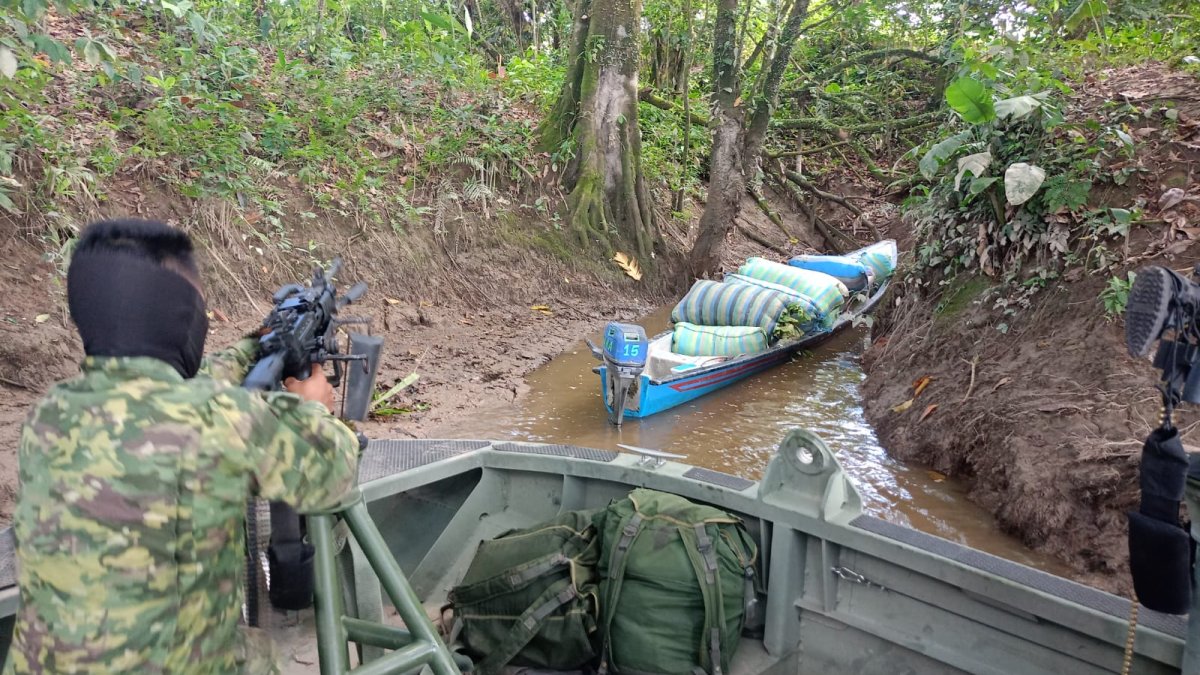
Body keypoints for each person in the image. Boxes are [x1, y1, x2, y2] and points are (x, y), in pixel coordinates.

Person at [4, 219, 361, 674]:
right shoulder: (218, 419)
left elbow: (166, 393)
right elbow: (334, 468)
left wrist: (257, 348)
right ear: (183, 316)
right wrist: (314, 408)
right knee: (256, 656)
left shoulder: (48, 415)